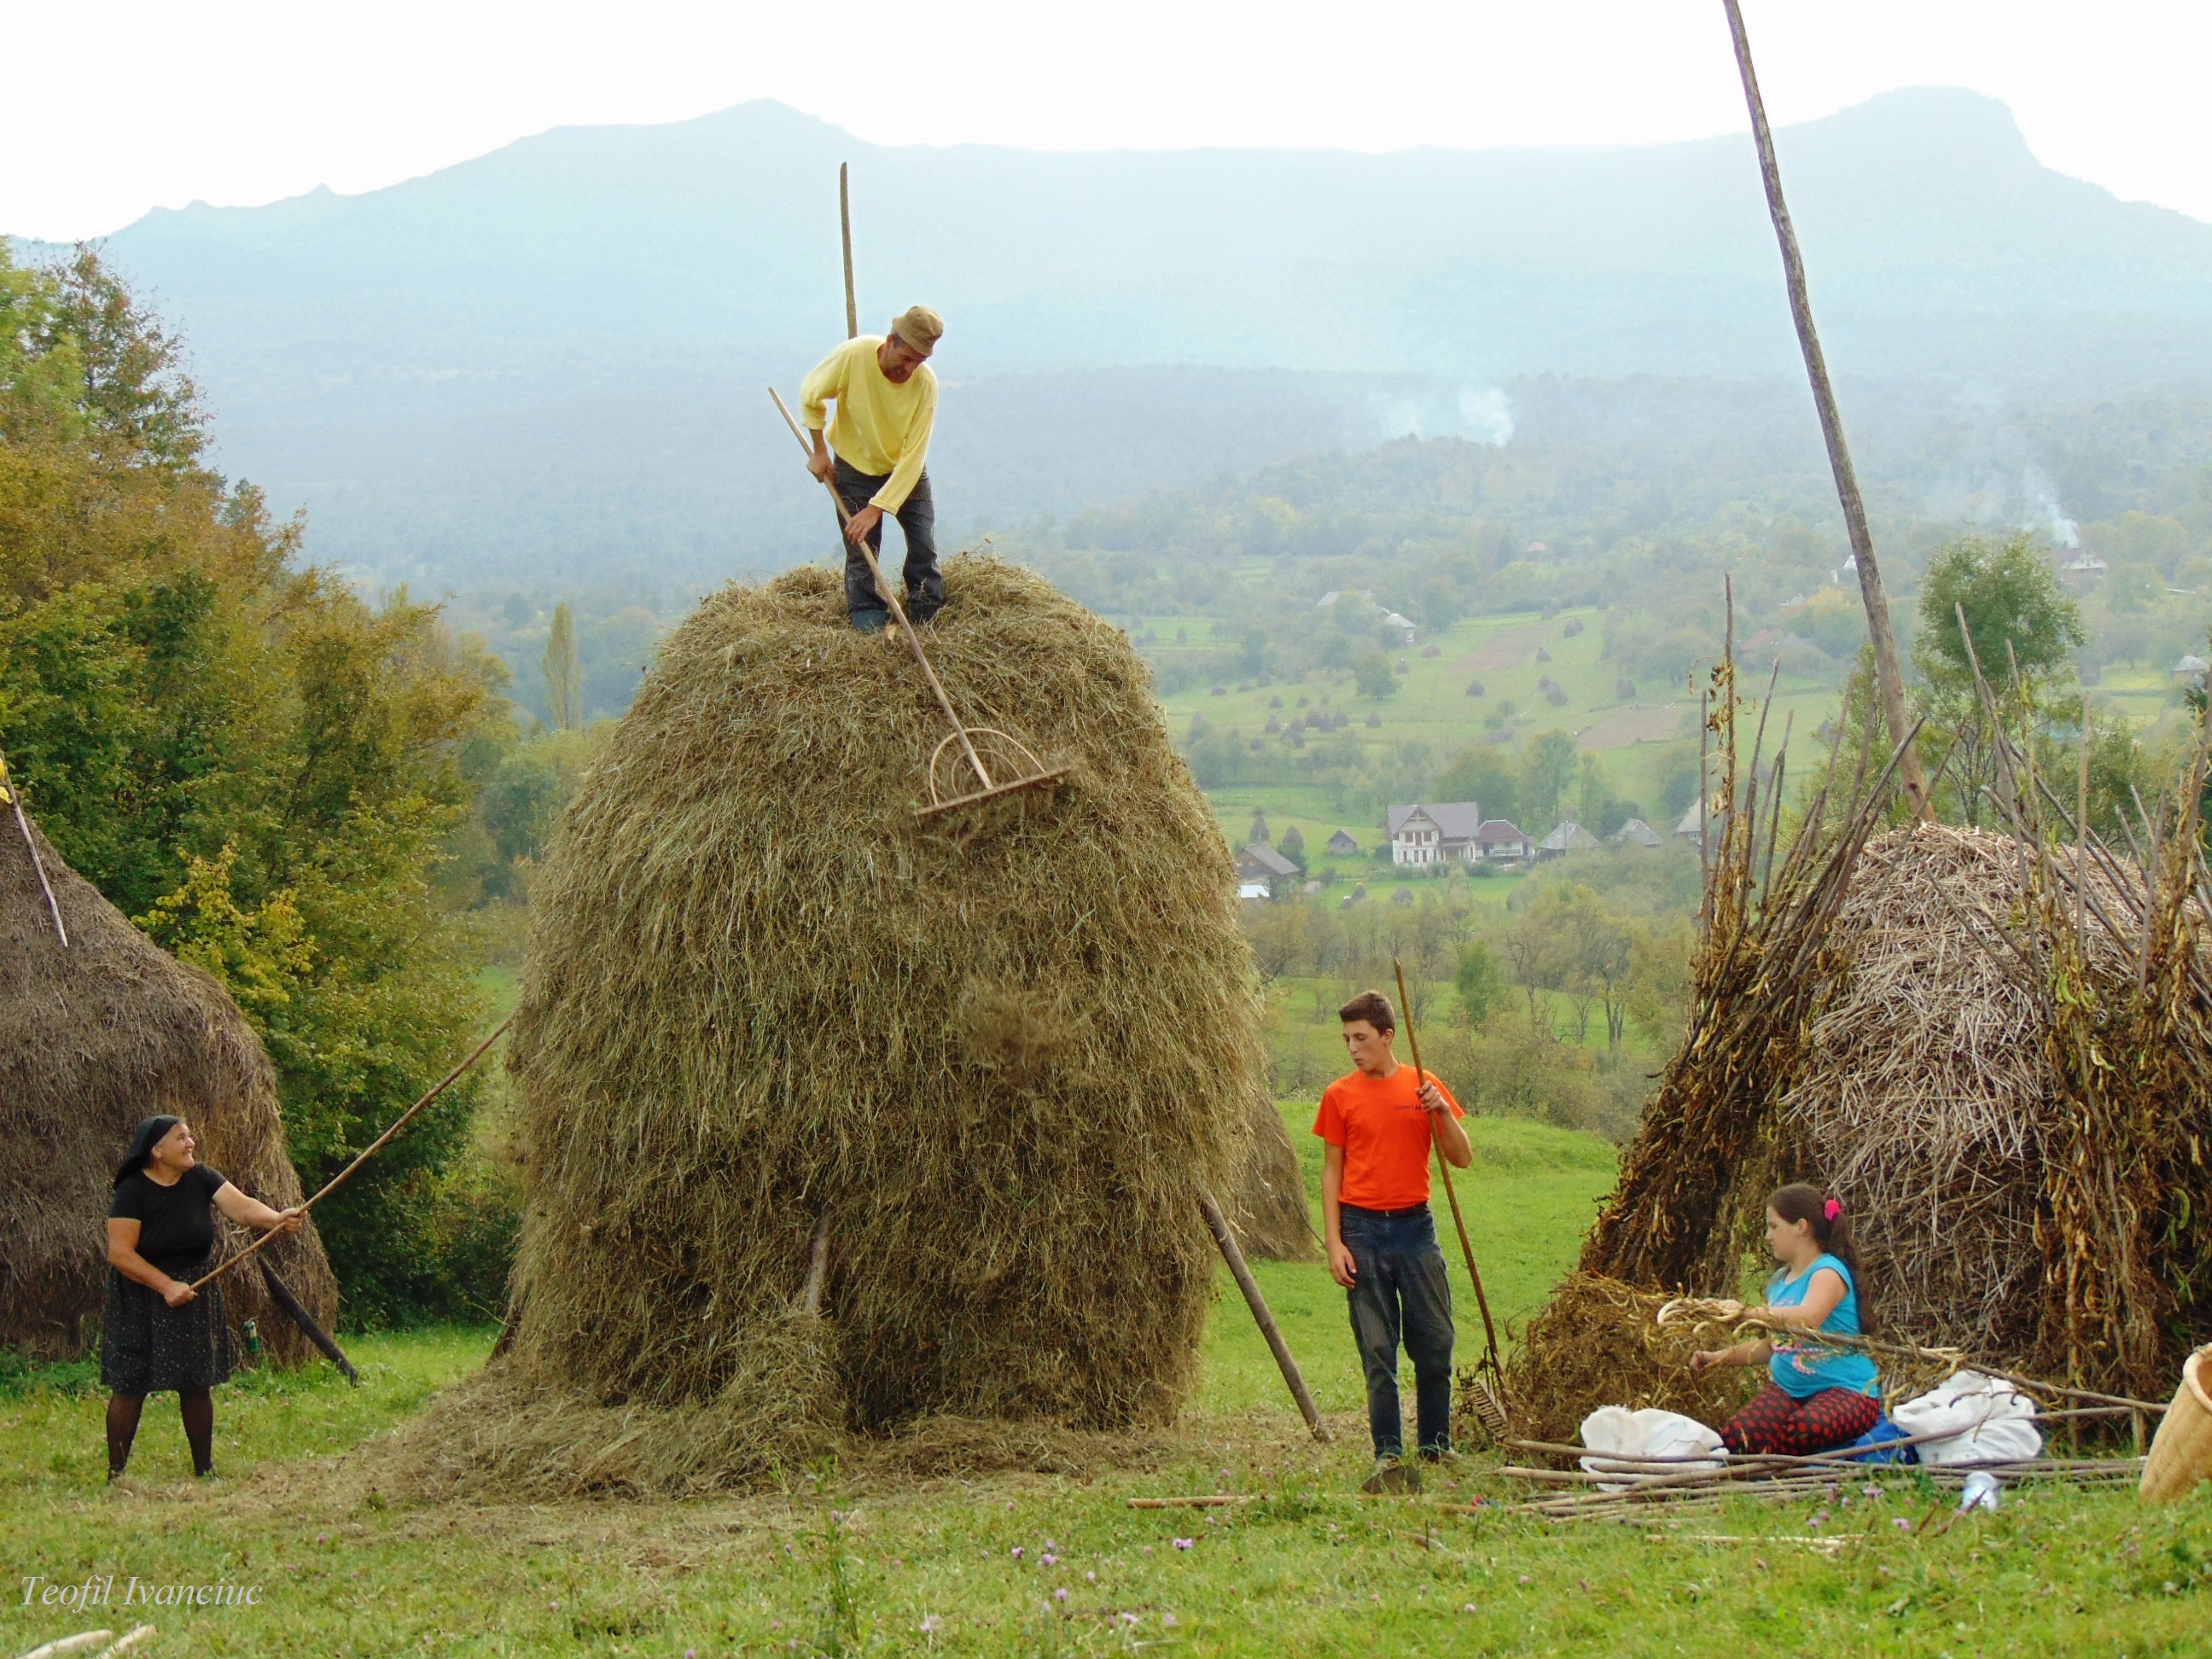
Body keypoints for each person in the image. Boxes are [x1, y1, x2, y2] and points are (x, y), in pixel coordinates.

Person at [1313, 989, 1472, 1493]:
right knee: (1378, 1346)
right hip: (1362, 1230)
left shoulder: (1423, 1086)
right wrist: (1334, 1243)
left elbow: (1462, 1158)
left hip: (1414, 1227)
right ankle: (1387, 1453)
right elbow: (1331, 1172)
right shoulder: (1339, 1095)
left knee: (1435, 1340)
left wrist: (1441, 1111)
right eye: (1347, 1040)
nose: (1353, 1048)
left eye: (1361, 1038)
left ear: (1387, 1037)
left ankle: (1435, 1446)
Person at [102, 1115, 302, 1481]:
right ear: (157, 1151)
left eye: (190, 1135)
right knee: (130, 1383)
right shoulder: (132, 1191)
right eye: (182, 1138)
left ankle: (204, 1470)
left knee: (196, 1381)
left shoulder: (202, 1178)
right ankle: (117, 1474)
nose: (191, 1142)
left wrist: (276, 1218)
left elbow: (241, 1207)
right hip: (141, 1294)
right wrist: (165, 1286)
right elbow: (120, 1253)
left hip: (194, 1290)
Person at [1690, 1184, 1883, 1456]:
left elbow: (1808, 1318)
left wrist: (1744, 1314)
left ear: (1800, 1227)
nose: (1768, 1236)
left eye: (1773, 1226)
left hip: (1847, 1391)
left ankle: (1769, 1467)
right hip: (1790, 1391)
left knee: (1807, 1427)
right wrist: (1716, 1358)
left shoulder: (1827, 1271)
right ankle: (1765, 1465)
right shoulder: (1779, 1282)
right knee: (1737, 1437)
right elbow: (1773, 1346)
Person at [800, 306, 945, 632]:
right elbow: (811, 394)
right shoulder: (855, 355)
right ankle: (867, 611)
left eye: (919, 362)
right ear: (890, 341)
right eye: (906, 358)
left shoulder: (925, 385)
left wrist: (877, 508)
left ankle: (926, 607)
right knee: (861, 546)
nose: (910, 369)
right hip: (854, 466)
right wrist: (820, 451)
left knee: (923, 540)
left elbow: (914, 457)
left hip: (903, 472)